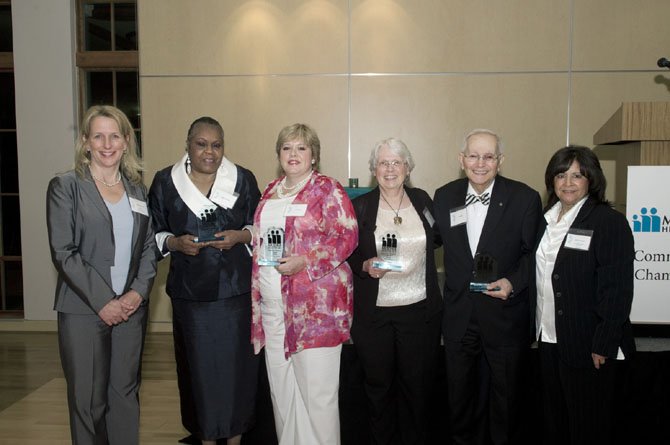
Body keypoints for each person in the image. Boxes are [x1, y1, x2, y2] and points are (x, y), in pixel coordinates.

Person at [46, 105, 157, 444]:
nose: (106, 144)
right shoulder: (66, 187)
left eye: (114, 136)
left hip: (130, 310)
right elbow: (64, 253)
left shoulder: (137, 190)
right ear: (86, 141)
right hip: (83, 310)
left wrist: (137, 294)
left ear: (126, 141)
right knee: (88, 402)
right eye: (98, 136)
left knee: (125, 397)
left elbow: (149, 247)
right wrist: (104, 301)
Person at [148, 117, 260, 445]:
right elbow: (153, 233)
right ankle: (206, 438)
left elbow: (261, 227)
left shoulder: (243, 179)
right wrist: (174, 243)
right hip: (190, 293)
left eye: (216, 145)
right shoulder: (165, 182)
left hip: (234, 291)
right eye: (201, 144)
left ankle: (236, 438)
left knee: (236, 371)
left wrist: (240, 236)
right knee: (199, 372)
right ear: (188, 144)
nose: (209, 152)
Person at [250, 123, 358, 445]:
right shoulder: (270, 190)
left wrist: (305, 260)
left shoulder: (327, 189)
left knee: (317, 400)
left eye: (301, 148)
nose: (293, 154)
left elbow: (347, 236)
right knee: (283, 396)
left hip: (314, 312)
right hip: (273, 306)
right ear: (278, 154)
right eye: (286, 148)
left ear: (314, 155)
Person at [433, 129, 542, 444]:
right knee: (460, 401)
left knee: (504, 402)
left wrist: (513, 281)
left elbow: (534, 253)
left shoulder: (525, 198)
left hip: (504, 315)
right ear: (461, 159)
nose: (480, 163)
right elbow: (428, 240)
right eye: (473, 155)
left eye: (489, 156)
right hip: (459, 316)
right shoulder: (445, 196)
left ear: (500, 161)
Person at [533, 145, 635, 445]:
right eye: (561, 175)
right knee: (557, 422)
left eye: (577, 175)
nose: (568, 183)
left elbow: (617, 289)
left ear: (592, 180)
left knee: (588, 426)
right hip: (549, 339)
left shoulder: (608, 222)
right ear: (552, 180)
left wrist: (603, 343)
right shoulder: (545, 221)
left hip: (589, 343)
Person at [347, 138, 442, 444]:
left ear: (408, 167)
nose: (390, 169)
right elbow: (345, 253)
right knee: (379, 390)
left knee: (418, 390)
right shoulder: (359, 206)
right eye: (383, 163)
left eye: (396, 162)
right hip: (374, 316)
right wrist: (364, 266)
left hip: (419, 311)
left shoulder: (423, 200)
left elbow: (438, 238)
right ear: (374, 170)